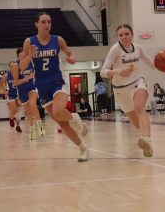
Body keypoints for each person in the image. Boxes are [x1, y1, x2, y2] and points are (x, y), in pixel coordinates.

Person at [19, 12, 89, 162]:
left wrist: (71, 58)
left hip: (57, 80)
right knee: (60, 122)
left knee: (58, 111)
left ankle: (74, 117)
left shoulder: (57, 40)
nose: (47, 24)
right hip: (42, 85)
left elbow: (70, 53)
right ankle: (82, 148)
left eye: (49, 22)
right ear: (36, 24)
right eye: (43, 22)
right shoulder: (29, 42)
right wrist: (30, 55)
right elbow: (22, 66)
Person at [100, 24, 155, 157]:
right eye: (121, 35)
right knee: (136, 124)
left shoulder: (138, 48)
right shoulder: (115, 50)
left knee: (140, 107)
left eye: (127, 34)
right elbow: (103, 72)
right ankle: (145, 140)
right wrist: (117, 71)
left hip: (136, 82)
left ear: (132, 35)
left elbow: (153, 64)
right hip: (120, 89)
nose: (124, 37)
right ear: (118, 37)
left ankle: (147, 140)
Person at [10, 48, 45, 140]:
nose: (24, 57)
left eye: (25, 55)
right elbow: (15, 83)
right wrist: (28, 77)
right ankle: (32, 130)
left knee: (33, 104)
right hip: (22, 91)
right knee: (28, 112)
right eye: (21, 55)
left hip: (32, 87)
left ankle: (40, 125)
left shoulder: (31, 61)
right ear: (18, 56)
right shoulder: (14, 65)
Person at [0, 63, 22, 133]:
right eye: (12, 66)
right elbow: (1, 83)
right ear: (10, 67)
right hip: (10, 94)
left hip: (19, 94)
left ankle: (18, 126)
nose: (14, 67)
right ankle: (11, 119)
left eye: (15, 66)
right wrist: (5, 91)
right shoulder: (7, 75)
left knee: (18, 112)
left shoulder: (19, 74)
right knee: (14, 110)